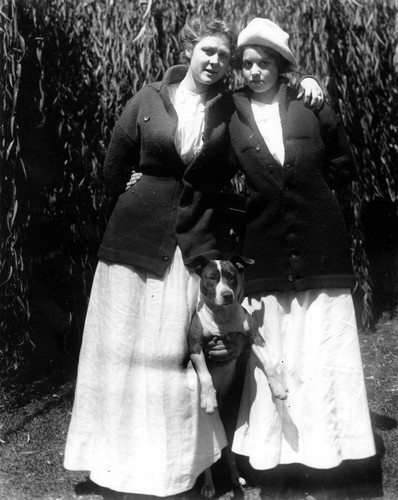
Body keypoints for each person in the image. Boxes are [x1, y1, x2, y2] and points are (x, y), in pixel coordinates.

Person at [64, 14, 324, 499]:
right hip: (133, 244)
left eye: (224, 56)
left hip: (191, 246)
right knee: (122, 357)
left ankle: (175, 470)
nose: (216, 61)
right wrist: (126, 191)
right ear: (189, 50)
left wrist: (304, 80)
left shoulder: (232, 110)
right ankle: (116, 466)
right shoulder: (147, 99)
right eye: (209, 51)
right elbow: (113, 163)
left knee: (175, 361)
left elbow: (271, 102)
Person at [222, 17, 375, 479]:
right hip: (266, 251)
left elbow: (344, 165)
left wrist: (308, 194)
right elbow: (181, 90)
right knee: (279, 351)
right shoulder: (229, 112)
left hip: (320, 247)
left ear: (281, 65)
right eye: (246, 63)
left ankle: (331, 456)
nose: (254, 71)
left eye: (263, 62)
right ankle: (275, 461)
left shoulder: (310, 103)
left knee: (321, 350)